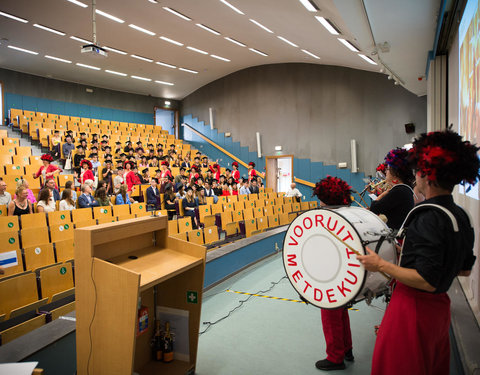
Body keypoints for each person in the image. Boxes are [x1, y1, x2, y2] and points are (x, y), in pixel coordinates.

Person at [357, 129, 479, 375]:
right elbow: (463, 270)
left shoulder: (427, 216)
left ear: (427, 174)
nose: (416, 177)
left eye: (419, 171)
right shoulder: (460, 215)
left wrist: (380, 264)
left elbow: (425, 280)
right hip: (439, 311)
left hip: (412, 313)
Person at [312, 176, 354, 371]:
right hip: (346, 272)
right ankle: (346, 348)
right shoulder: (349, 214)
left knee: (330, 315)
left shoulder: (327, 218)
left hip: (331, 272)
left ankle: (335, 357)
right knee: (342, 311)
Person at [370, 148, 415, 231]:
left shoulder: (399, 191)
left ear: (395, 173)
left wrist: (382, 194)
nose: (386, 171)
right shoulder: (405, 189)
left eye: (387, 169)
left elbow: (374, 208)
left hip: (396, 235)